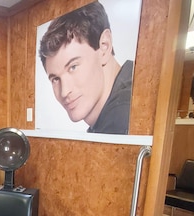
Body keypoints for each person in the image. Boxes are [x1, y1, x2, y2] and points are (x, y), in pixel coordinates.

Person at [38, 1, 132, 134]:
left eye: (73, 67)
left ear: (104, 46)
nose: (64, 92)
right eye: (55, 79)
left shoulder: (124, 113)